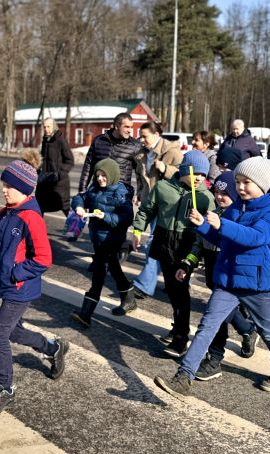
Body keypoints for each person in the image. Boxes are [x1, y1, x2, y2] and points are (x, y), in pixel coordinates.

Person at [155, 157, 270, 398]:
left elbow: (254, 238)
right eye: (238, 182)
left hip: (256, 283)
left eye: (246, 182)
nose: (240, 187)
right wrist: (203, 226)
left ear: (261, 184)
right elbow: (223, 239)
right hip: (227, 280)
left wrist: (221, 224)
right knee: (207, 326)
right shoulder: (236, 206)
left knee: (267, 329)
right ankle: (184, 376)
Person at [0, 160, 68, 415]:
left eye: (9, 186)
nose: (4, 190)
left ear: (24, 189)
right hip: (8, 285)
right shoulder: (4, 214)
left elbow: (43, 258)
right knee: (13, 332)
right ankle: (53, 348)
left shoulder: (30, 217)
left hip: (20, 288)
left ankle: (5, 389)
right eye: (4, 184)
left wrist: (16, 273)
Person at [174, 171, 259, 381]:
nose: (220, 197)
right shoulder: (211, 213)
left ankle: (215, 358)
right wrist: (187, 264)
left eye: (225, 193)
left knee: (216, 317)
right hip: (214, 274)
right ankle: (247, 329)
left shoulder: (239, 218)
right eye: (217, 192)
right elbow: (199, 244)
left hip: (232, 275)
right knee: (224, 313)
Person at [130, 150, 216, 355]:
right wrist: (137, 230)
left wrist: (202, 224)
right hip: (163, 240)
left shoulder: (205, 197)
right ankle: (178, 327)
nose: (199, 179)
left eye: (203, 175)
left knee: (180, 290)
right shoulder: (163, 187)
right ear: (184, 170)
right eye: (196, 173)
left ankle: (181, 337)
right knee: (170, 288)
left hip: (187, 245)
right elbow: (146, 210)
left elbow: (213, 225)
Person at [69, 159, 134, 327]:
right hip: (98, 238)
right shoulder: (94, 189)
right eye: (97, 175)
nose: (99, 179)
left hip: (112, 239)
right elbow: (80, 197)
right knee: (113, 267)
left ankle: (86, 313)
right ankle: (129, 297)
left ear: (111, 175)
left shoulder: (120, 193)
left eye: (103, 175)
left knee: (99, 274)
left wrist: (104, 216)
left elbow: (126, 219)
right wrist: (79, 207)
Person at [129, 121, 184, 300]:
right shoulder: (141, 154)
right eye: (141, 136)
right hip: (150, 203)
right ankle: (173, 281)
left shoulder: (172, 152)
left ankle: (144, 285)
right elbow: (140, 176)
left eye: (145, 136)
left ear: (156, 134)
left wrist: (166, 169)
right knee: (159, 246)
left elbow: (186, 176)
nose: (141, 139)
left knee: (155, 244)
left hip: (168, 206)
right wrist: (139, 193)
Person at [77, 112, 142, 196]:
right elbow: (88, 167)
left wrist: (140, 192)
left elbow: (140, 171)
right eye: (126, 127)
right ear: (116, 126)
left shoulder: (135, 145)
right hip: (97, 193)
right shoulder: (98, 141)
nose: (129, 130)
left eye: (131, 127)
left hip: (121, 195)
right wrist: (82, 190)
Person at [37, 118, 74, 216]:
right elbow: (44, 159)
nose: (46, 129)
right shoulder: (45, 140)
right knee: (40, 204)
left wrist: (60, 174)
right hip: (45, 180)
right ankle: (37, 229)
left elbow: (70, 160)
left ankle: (74, 228)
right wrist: (38, 169)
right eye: (44, 127)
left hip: (59, 183)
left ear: (53, 126)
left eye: (48, 126)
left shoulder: (60, 139)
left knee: (64, 206)